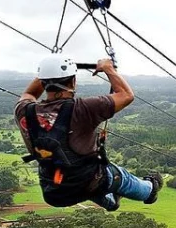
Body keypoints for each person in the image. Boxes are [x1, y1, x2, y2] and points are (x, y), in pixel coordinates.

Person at [14, 54, 162, 211]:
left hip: (54, 192)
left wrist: (47, 72)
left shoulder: (23, 111)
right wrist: (108, 68)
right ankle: (150, 190)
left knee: (88, 179)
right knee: (120, 177)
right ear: (73, 81)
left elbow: (29, 94)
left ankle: (111, 201)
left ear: (43, 82)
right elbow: (126, 95)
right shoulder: (82, 109)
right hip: (89, 182)